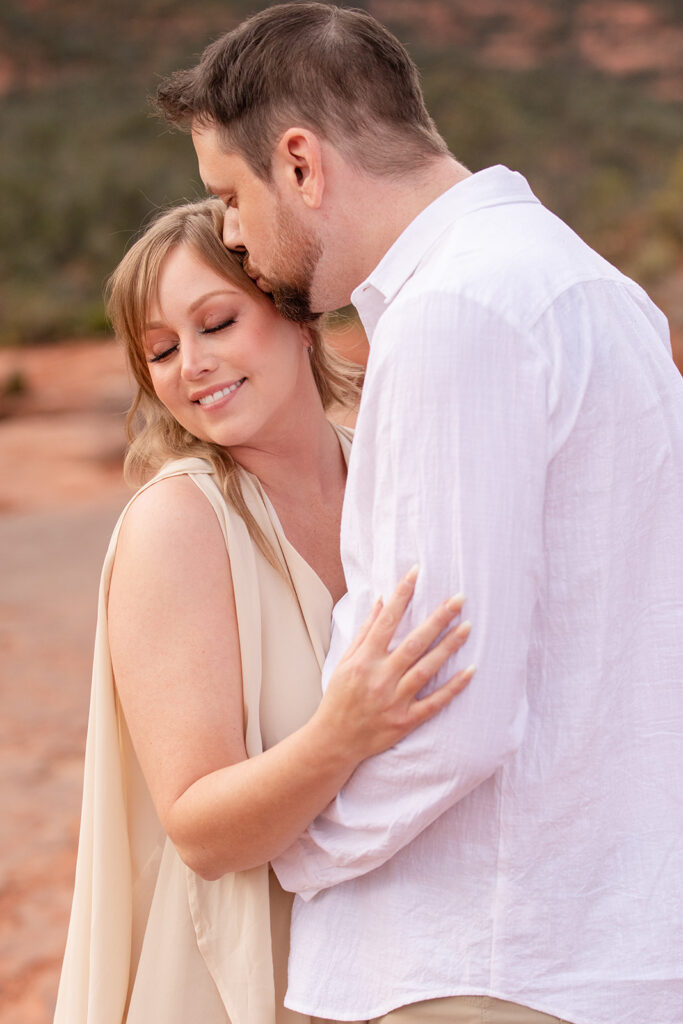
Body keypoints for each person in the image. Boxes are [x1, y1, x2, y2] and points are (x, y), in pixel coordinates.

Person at [154, 4, 683, 1024]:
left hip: (465, 960)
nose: (226, 229)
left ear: (300, 164)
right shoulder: (599, 292)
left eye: (228, 192)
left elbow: (443, 711)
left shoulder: (454, 315)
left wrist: (294, 851)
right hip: (595, 952)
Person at [53, 197, 475, 1024]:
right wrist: (341, 732)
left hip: (392, 968)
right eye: (163, 350)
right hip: (226, 979)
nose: (193, 364)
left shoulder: (387, 478)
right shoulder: (179, 522)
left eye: (217, 323)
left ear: (299, 317)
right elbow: (202, 834)